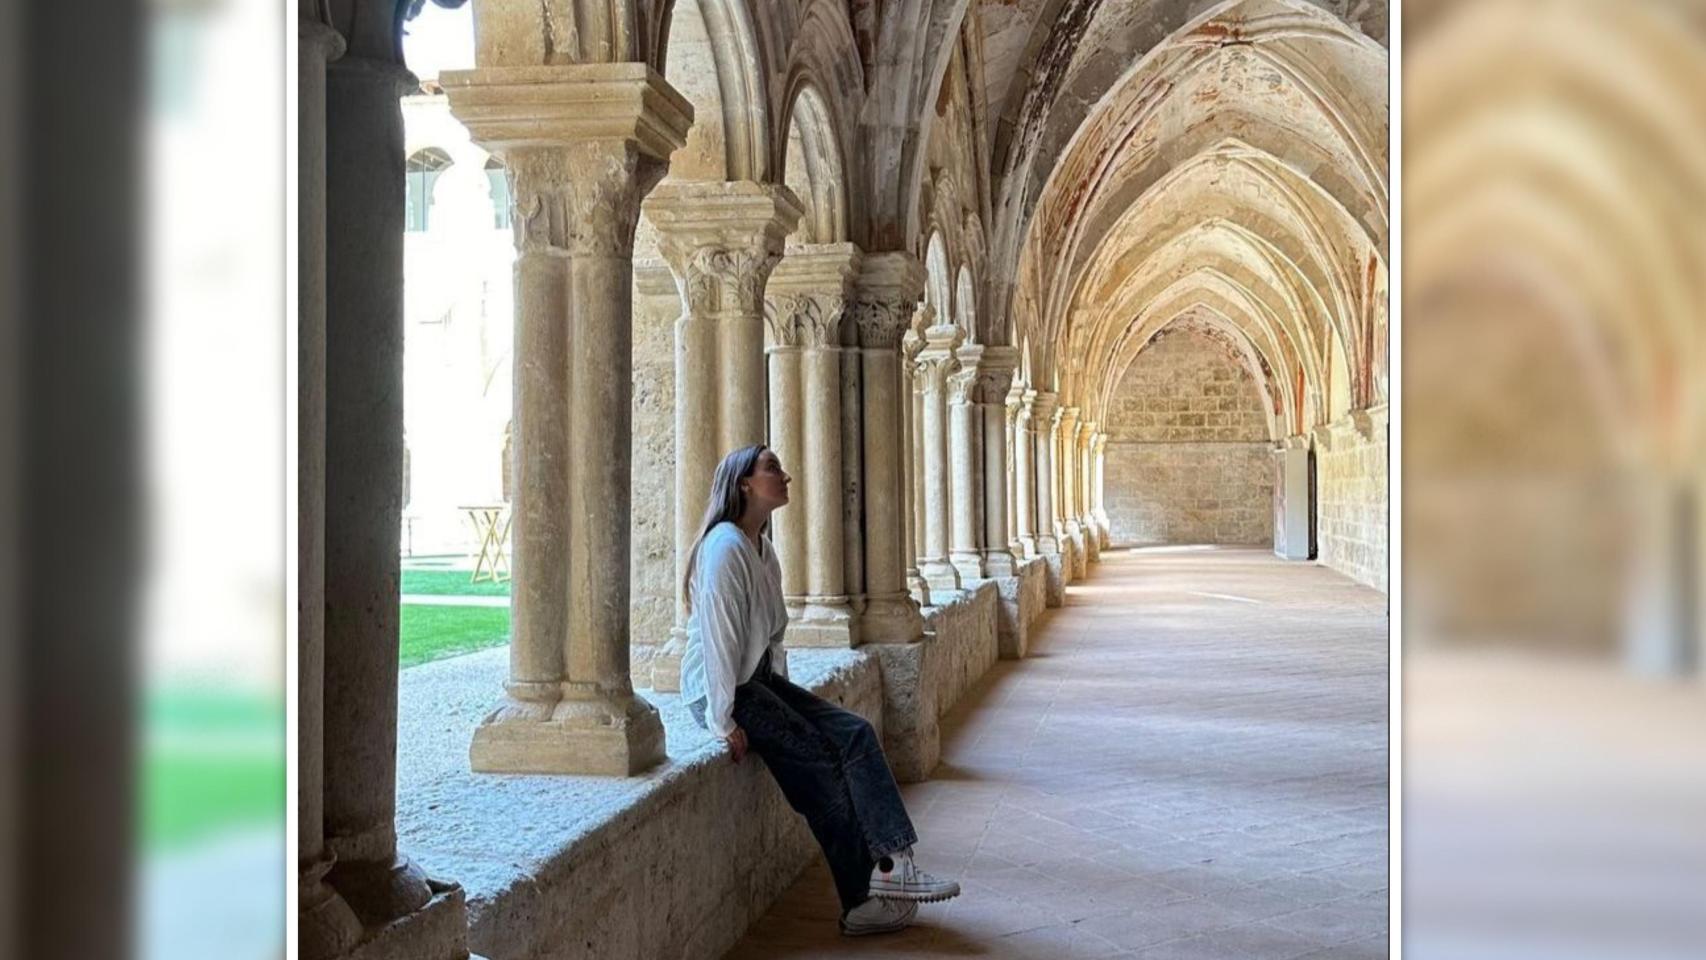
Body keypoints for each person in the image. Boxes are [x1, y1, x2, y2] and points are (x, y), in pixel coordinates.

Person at [680, 443, 961, 936]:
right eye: (772, 469)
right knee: (821, 766)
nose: (785, 476)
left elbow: (768, 641)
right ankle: (859, 901)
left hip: (758, 681)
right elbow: (719, 642)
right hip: (724, 690)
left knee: (853, 733)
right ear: (743, 483)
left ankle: (896, 868)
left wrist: (787, 699)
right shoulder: (724, 548)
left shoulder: (762, 549)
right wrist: (722, 721)